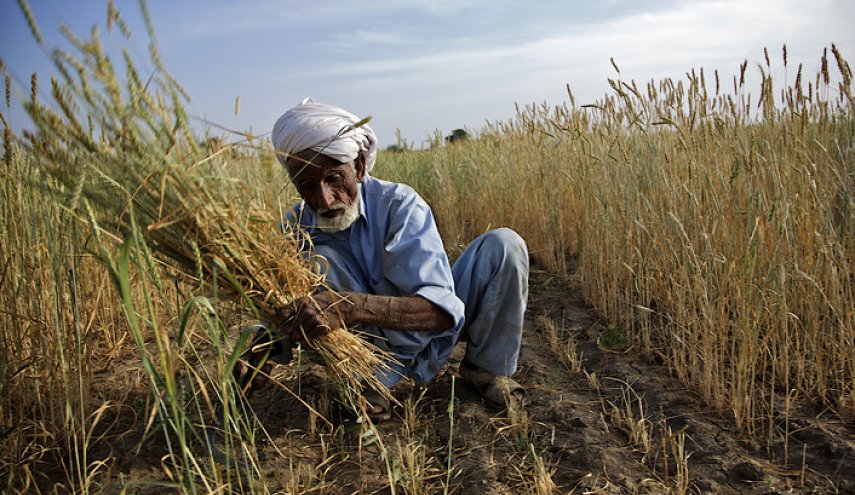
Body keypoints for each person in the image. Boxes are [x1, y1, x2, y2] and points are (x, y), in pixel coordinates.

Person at [266, 98, 529, 419]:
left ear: (359, 166)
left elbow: (443, 313)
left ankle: (485, 369)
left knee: (504, 246)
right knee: (321, 256)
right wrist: (259, 346)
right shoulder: (294, 228)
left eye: (334, 178)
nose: (324, 198)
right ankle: (364, 381)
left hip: (433, 334)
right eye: (306, 184)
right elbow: (285, 308)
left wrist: (346, 307)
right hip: (369, 358)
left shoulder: (399, 206)